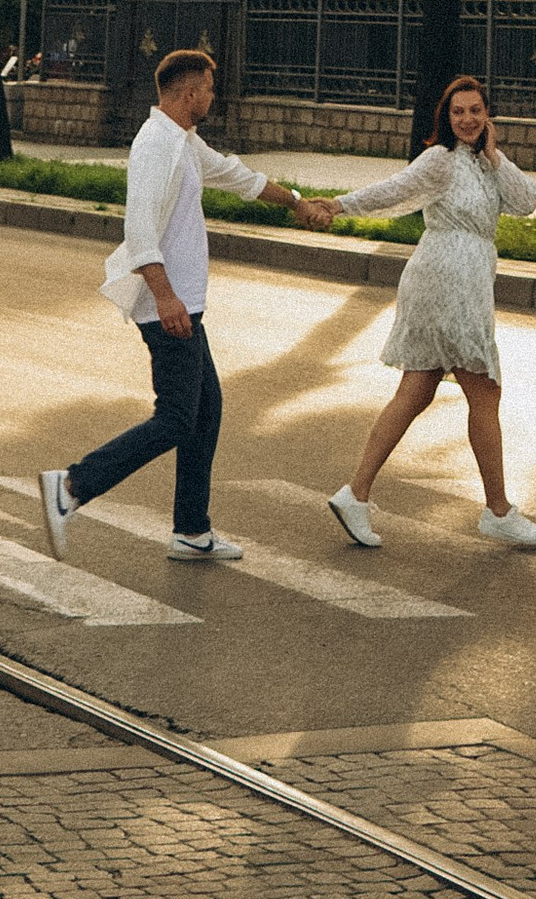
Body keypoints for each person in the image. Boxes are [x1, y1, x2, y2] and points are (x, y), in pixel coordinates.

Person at [39, 43, 323, 564]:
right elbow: (139, 229)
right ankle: (73, 485)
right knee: (175, 417)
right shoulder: (156, 145)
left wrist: (296, 203)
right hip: (167, 304)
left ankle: (192, 531)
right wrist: (165, 295)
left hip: (183, 302)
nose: (213, 98)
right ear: (189, 93)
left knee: (205, 412)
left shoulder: (183, 140)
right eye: (209, 90)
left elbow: (239, 177)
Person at [325, 76, 536, 552]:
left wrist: (495, 155)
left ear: (488, 116)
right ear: (445, 118)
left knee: (416, 390)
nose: (467, 119)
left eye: (475, 110)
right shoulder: (440, 160)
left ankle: (355, 494)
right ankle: (498, 511)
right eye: (457, 112)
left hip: (462, 281)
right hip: (447, 282)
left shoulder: (486, 164)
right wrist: (339, 206)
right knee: (485, 391)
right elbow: (392, 191)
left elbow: (527, 201)